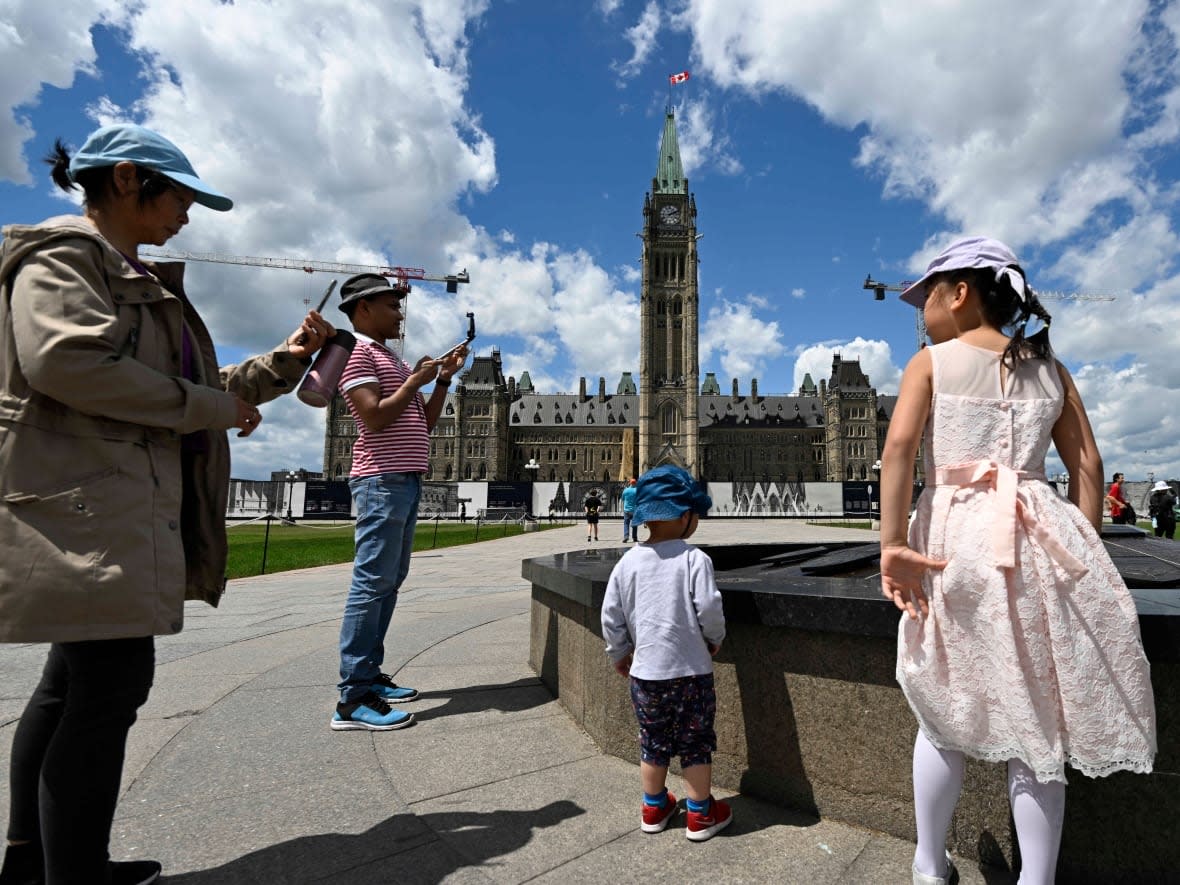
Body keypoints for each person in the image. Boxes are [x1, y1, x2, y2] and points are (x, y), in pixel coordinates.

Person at [0, 123, 333, 885]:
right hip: (88, 509)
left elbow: (196, 388)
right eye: (179, 194)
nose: (188, 211)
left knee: (68, 688)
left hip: (108, 507)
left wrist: (284, 361)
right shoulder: (64, 255)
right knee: (108, 690)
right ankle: (70, 873)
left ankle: (34, 861)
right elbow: (67, 362)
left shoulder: (130, 274)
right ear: (126, 180)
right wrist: (203, 405)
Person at [878, 237, 1156, 885]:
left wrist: (893, 544)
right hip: (1036, 535)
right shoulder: (1050, 369)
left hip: (953, 542)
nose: (921, 312)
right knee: (1038, 724)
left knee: (941, 710)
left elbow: (898, 449)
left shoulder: (931, 362)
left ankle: (928, 861)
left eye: (927, 297)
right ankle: (1037, 877)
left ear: (961, 292)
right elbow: (1087, 461)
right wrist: (1082, 538)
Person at [330, 273, 468, 732]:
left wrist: (441, 382)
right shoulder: (357, 354)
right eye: (392, 304)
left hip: (403, 480)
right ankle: (352, 699)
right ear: (363, 308)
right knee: (371, 583)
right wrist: (413, 382)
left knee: (388, 582)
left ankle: (370, 676)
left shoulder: (387, 357)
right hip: (379, 480)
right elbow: (372, 417)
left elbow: (422, 423)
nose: (400, 312)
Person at [600, 465, 732, 842]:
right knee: (694, 744)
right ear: (685, 515)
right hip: (691, 673)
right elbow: (709, 608)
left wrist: (619, 653)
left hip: (645, 675)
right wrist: (714, 638)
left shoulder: (627, 563)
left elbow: (612, 616)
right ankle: (700, 814)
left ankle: (654, 807)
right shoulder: (695, 560)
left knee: (653, 742)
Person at [620, 477, 638, 542]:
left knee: (626, 523)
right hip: (635, 510)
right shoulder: (637, 490)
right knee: (635, 524)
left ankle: (626, 536)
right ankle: (635, 537)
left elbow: (622, 499)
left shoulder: (626, 490)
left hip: (627, 509)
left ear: (629, 483)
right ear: (635, 483)